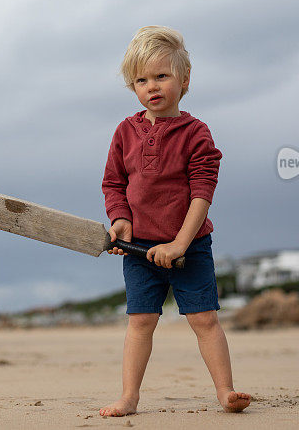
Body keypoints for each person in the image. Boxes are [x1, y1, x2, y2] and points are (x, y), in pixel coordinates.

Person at [99, 26, 250, 416]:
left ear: (184, 80)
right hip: (139, 250)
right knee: (141, 321)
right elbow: (114, 183)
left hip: (190, 246)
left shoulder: (195, 133)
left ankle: (225, 392)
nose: (152, 86)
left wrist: (180, 244)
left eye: (162, 76)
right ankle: (129, 397)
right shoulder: (124, 132)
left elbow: (202, 192)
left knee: (204, 319)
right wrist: (120, 221)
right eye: (141, 80)